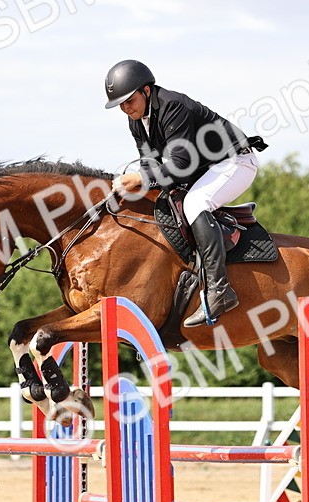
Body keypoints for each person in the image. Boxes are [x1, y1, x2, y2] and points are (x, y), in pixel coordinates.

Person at [104, 59, 264, 326]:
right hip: (204, 169)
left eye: (129, 100)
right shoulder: (137, 121)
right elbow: (150, 164)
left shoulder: (173, 106)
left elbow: (179, 165)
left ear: (146, 90)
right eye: (120, 104)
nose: (126, 108)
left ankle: (219, 292)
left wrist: (140, 179)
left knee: (195, 203)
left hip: (235, 162)